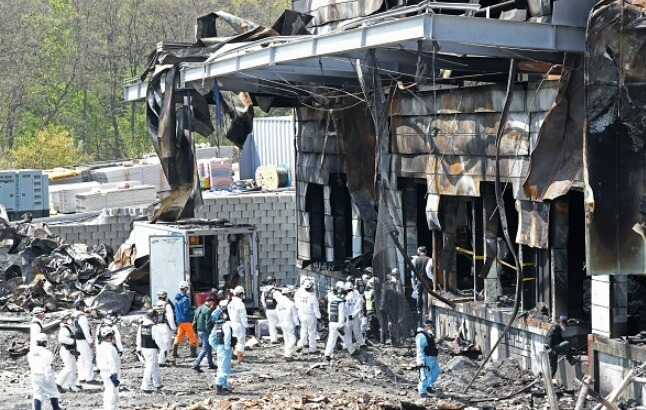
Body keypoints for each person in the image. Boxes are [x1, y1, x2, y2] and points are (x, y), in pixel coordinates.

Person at [28, 333, 63, 410]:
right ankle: (56, 408)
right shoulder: (47, 353)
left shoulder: (31, 353)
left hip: (35, 375)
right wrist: (49, 377)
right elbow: (47, 366)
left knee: (38, 394)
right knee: (53, 392)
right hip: (44, 375)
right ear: (44, 342)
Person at [324, 281, 356, 361]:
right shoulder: (341, 303)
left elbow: (330, 313)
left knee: (331, 339)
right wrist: (341, 326)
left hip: (331, 323)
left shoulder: (332, 302)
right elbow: (341, 315)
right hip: (339, 324)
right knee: (347, 338)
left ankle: (327, 354)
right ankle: (352, 352)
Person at [136, 309, 164, 393]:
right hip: (151, 349)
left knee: (154, 366)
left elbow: (138, 338)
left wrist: (139, 348)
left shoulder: (142, 325)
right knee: (149, 368)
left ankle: (158, 383)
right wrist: (163, 349)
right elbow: (158, 340)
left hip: (144, 349)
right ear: (153, 317)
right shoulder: (153, 327)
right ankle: (145, 386)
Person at [209, 305, 234, 395]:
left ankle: (224, 386)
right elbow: (227, 337)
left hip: (220, 348)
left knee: (220, 368)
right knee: (225, 369)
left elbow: (211, 340)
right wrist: (227, 347)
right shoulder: (226, 325)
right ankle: (219, 387)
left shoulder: (216, 326)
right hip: (225, 348)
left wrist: (217, 347)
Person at [96, 327, 121, 410]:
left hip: (103, 372)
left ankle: (106, 407)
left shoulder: (100, 347)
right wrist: (114, 374)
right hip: (110, 373)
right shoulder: (110, 348)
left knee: (107, 390)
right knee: (112, 393)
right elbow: (112, 362)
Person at [295, 278, 321, 354]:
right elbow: (316, 308)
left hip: (302, 315)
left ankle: (300, 344)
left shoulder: (299, 294)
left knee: (303, 331)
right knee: (312, 333)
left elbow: (297, 304)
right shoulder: (312, 296)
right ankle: (312, 349)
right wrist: (319, 316)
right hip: (310, 316)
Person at [56, 312, 79, 392]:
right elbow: (61, 339)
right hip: (66, 350)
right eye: (68, 318)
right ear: (64, 320)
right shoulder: (64, 329)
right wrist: (72, 341)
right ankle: (58, 383)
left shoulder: (68, 328)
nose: (70, 319)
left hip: (70, 351)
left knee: (73, 368)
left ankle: (71, 385)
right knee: (68, 368)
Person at [73, 299, 95, 384]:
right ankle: (89, 378)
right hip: (84, 340)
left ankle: (82, 377)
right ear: (81, 306)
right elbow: (86, 331)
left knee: (81, 359)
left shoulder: (75, 316)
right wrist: (90, 341)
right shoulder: (82, 317)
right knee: (89, 359)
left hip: (78, 340)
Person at [416, 320, 440, 397]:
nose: (432, 328)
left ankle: (428, 386)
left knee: (436, 371)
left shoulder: (429, 334)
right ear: (426, 326)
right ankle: (422, 392)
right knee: (424, 375)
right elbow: (420, 349)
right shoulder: (421, 335)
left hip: (432, 357)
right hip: (425, 358)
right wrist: (422, 359)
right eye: (431, 326)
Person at [174, 281, 198, 358]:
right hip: (186, 321)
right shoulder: (185, 299)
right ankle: (193, 353)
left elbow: (180, 309)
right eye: (187, 288)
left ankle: (174, 352)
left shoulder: (177, 298)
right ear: (185, 288)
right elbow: (186, 311)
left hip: (180, 321)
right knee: (192, 336)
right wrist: (194, 311)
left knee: (179, 335)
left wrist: (190, 308)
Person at [192, 296, 217, 372]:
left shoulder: (198, 309)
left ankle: (210, 364)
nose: (212, 305)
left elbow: (194, 322)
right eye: (212, 303)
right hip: (205, 331)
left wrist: (195, 332)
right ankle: (196, 363)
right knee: (205, 348)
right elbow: (208, 323)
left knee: (209, 347)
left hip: (199, 331)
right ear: (210, 302)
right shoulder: (208, 310)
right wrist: (210, 333)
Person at [277, 287, 300, 361]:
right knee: (293, 339)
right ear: (288, 294)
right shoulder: (291, 303)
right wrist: (297, 325)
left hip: (282, 323)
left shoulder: (279, 304)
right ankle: (287, 355)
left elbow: (277, 314)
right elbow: (295, 316)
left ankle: (290, 353)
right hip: (289, 323)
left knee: (286, 339)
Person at [228, 285, 249, 364]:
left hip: (232, 323)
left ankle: (233, 355)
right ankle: (239, 358)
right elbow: (243, 317)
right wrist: (246, 326)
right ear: (240, 294)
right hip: (239, 325)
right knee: (241, 342)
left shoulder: (230, 303)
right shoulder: (240, 304)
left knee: (233, 341)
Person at [155, 290, 176, 366]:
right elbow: (170, 317)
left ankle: (162, 359)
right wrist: (173, 327)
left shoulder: (155, 305)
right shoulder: (167, 305)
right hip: (165, 326)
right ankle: (162, 361)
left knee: (160, 344)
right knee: (166, 344)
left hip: (157, 326)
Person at [345, 279, 366, 349]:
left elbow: (360, 306)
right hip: (349, 316)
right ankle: (347, 345)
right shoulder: (346, 296)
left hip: (355, 316)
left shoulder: (357, 295)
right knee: (349, 331)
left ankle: (362, 343)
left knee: (356, 330)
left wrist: (353, 315)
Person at [412, 246, 433, 317]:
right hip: (427, 279)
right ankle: (425, 310)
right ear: (426, 251)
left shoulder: (416, 260)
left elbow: (414, 271)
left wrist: (414, 279)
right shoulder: (429, 259)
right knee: (425, 294)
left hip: (419, 279)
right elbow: (431, 270)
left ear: (419, 252)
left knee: (419, 294)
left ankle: (419, 309)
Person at [261, 276, 280, 344]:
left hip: (268, 310)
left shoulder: (264, 292)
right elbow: (280, 301)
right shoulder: (275, 291)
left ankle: (273, 339)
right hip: (276, 310)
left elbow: (263, 301)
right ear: (273, 282)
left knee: (271, 326)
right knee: (284, 323)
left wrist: (266, 308)